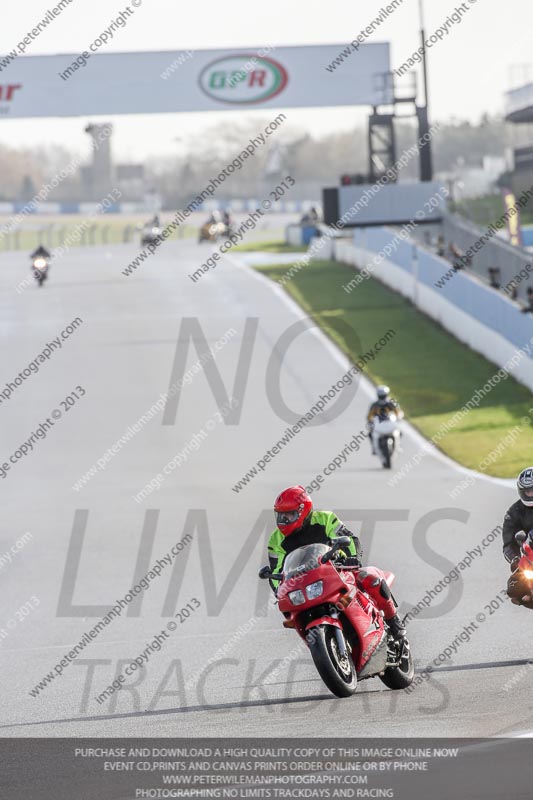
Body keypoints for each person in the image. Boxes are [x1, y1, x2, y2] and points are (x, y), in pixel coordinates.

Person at [267, 485, 406, 641]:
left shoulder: (325, 519)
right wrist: (279, 589)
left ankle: (394, 622)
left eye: (289, 516)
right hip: (304, 585)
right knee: (293, 615)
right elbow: (276, 571)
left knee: (372, 579)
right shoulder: (275, 539)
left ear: (303, 511)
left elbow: (351, 540)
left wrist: (351, 557)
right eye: (280, 516)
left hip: (337, 570)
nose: (284, 521)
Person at [503, 467, 533, 607]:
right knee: (514, 588)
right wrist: (515, 559)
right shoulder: (514, 512)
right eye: (528, 491)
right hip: (530, 552)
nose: (531, 494)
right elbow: (508, 543)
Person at [366, 386, 403, 455]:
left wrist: (398, 418)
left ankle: (398, 445)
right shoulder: (375, 404)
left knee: (399, 432)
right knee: (370, 434)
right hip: (379, 423)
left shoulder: (391, 402)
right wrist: (370, 421)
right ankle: (374, 447)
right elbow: (369, 416)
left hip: (389, 422)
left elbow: (398, 412)